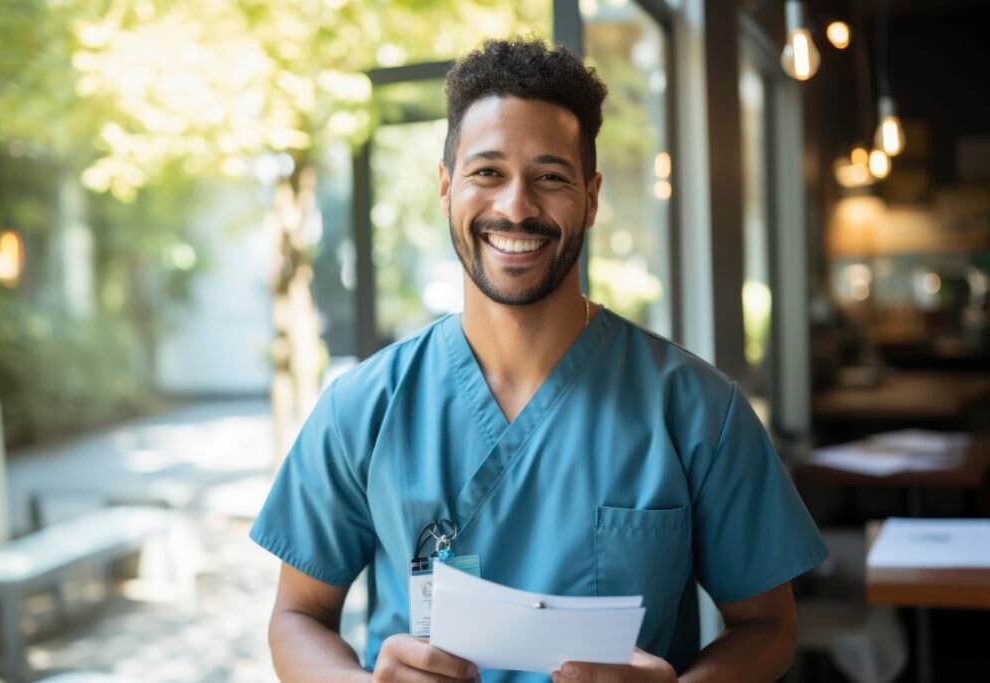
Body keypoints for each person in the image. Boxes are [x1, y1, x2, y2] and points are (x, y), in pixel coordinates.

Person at [251, 37, 828, 683]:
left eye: (550, 177)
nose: (516, 206)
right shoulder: (363, 406)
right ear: (446, 188)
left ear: (591, 197)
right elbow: (297, 616)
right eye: (487, 172)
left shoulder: (698, 409)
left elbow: (767, 626)